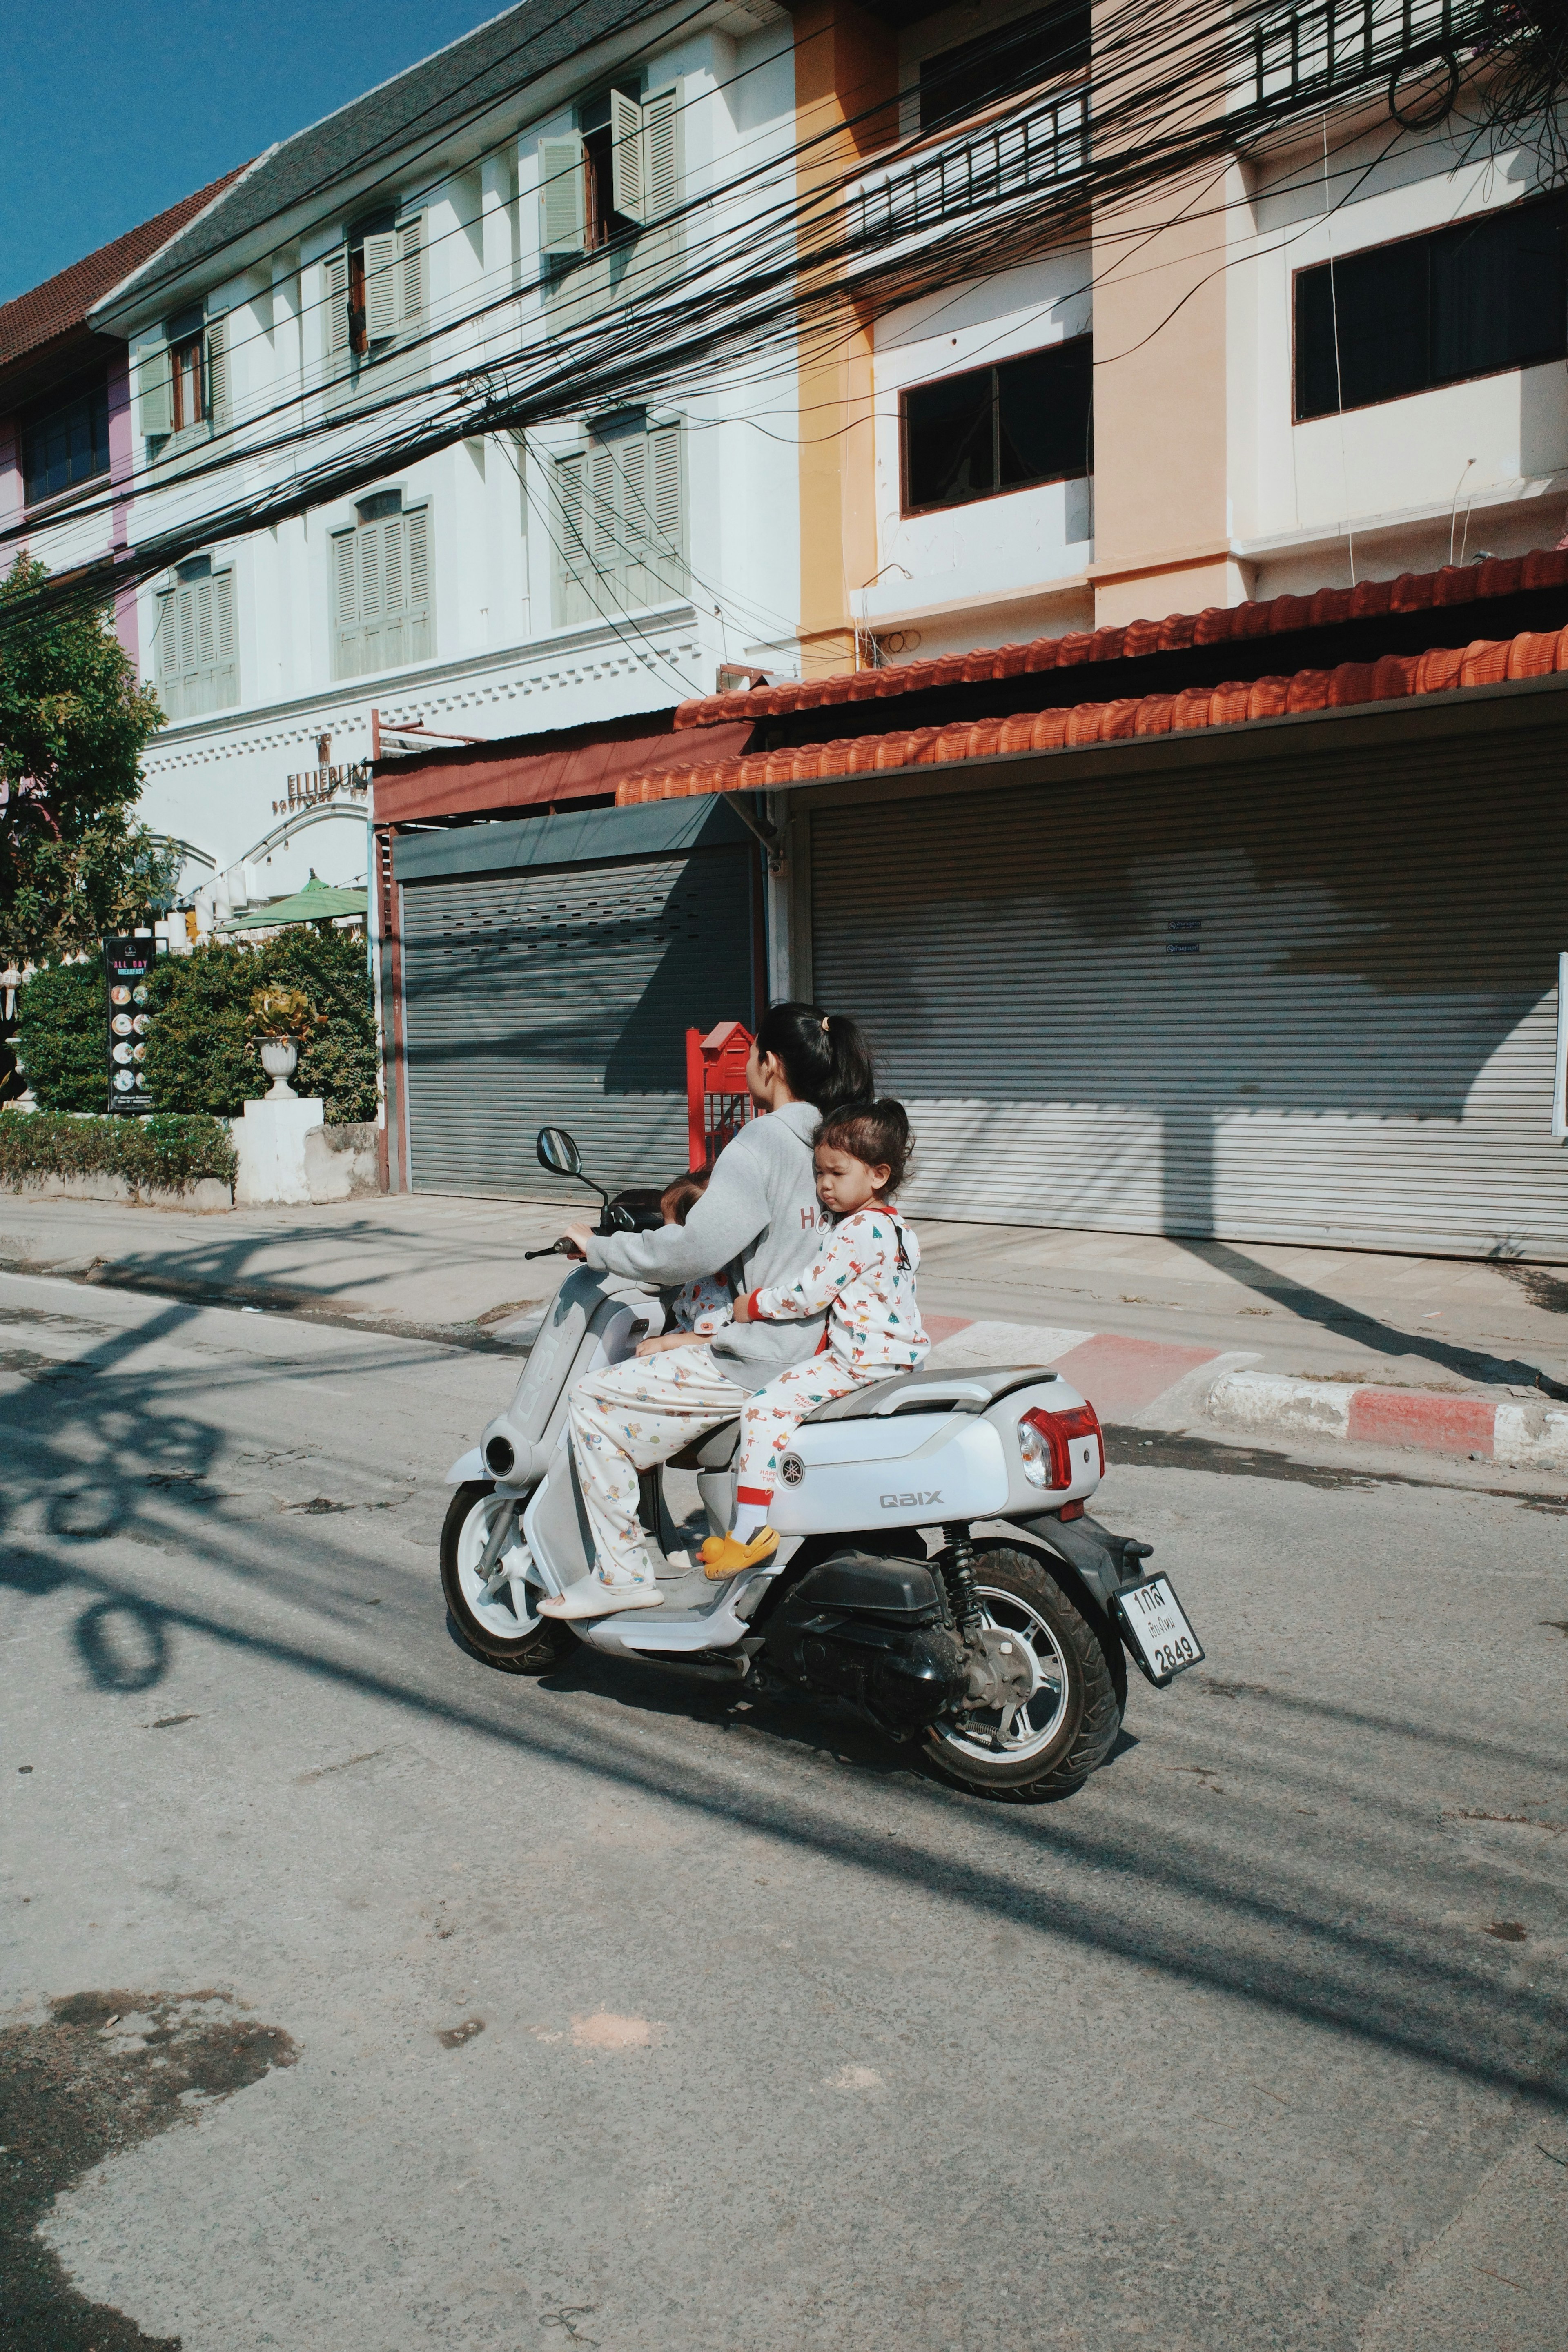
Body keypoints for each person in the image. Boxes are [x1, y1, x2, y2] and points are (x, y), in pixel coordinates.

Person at [538, 1003, 877, 1619]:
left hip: (760, 1359)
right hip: (825, 1354)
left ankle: (620, 1576)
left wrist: (602, 1247)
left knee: (593, 1403)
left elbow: (695, 1247)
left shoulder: (767, 1138)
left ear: (769, 1064)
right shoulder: (840, 1140)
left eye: (753, 1056)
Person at [699, 1100, 929, 1577]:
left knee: (763, 1410)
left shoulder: (855, 1231)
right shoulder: (900, 1229)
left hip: (859, 1362)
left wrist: (754, 1304)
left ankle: (749, 1534)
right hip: (903, 1359)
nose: (824, 1185)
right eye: (819, 1173)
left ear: (878, 1175)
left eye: (837, 1173)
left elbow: (810, 1295)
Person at [635, 1171, 732, 1356]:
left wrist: (664, 1343)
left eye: (668, 1225)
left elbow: (711, 1336)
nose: (663, 1231)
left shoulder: (710, 1285)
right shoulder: (712, 1272)